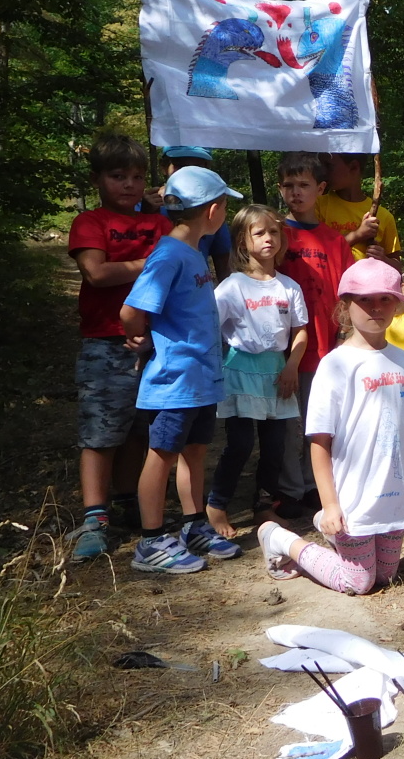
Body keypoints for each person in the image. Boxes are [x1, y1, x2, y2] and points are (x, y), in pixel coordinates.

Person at [256, 260, 404, 594]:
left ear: (397, 304)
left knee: (385, 577)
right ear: (345, 305)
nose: (376, 307)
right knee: (359, 582)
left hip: (394, 495)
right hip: (351, 496)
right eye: (365, 300)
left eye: (385, 299)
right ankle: (280, 539)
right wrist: (330, 505)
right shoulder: (334, 364)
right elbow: (320, 441)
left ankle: (338, 537)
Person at [120, 167, 245, 573]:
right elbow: (131, 311)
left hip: (200, 378)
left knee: (195, 451)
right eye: (224, 205)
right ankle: (151, 541)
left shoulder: (192, 252)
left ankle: (193, 525)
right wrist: (142, 338)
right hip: (175, 380)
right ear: (212, 211)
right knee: (162, 454)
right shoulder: (169, 255)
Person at [68, 133, 174, 562]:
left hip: (156, 341)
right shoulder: (90, 222)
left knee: (139, 428)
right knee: (101, 431)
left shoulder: (159, 224)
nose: (128, 185)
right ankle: (94, 517)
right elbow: (96, 273)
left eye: (136, 176)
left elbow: (178, 269)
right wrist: (150, 262)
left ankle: (129, 499)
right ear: (97, 179)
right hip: (105, 341)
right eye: (117, 176)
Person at [205, 205, 309, 537]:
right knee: (240, 443)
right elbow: (209, 325)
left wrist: (291, 365)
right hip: (239, 371)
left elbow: (300, 331)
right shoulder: (233, 286)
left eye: (274, 231)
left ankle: (264, 505)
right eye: (259, 232)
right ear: (242, 241)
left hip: (278, 373)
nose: (268, 238)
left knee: (275, 445)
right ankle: (217, 504)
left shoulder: (289, 286)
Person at [276, 152, 354, 516]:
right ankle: (287, 489)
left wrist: (344, 336)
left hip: (324, 346)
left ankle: (313, 485)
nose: (296, 192)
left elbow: (348, 295)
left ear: (320, 189)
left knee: (318, 418)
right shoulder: (275, 235)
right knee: (285, 423)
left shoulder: (335, 242)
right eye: (288, 185)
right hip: (284, 348)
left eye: (304, 185)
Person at [143, 146, 233, 281]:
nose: (187, 173)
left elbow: (224, 265)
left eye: (197, 167)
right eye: (180, 166)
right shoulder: (141, 206)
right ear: (163, 166)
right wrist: (145, 216)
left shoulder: (210, 209)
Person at [315, 153, 401, 265]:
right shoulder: (317, 205)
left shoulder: (384, 216)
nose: (323, 172)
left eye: (328, 166)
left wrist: (383, 259)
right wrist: (358, 234)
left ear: (353, 167)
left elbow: (397, 266)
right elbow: (315, 251)